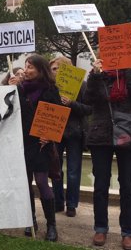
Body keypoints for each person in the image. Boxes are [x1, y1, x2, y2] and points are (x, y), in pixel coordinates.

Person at [84, 59, 131, 250]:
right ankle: (100, 228)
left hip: (126, 134)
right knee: (100, 184)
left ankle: (128, 232)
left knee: (128, 184)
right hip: (101, 134)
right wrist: (95, 75)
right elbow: (88, 98)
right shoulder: (98, 74)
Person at [11, 54, 61, 241]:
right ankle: (30, 220)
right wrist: (13, 89)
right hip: (22, 142)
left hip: (41, 144)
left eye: (31, 67)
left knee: (41, 182)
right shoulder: (19, 89)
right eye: (26, 66)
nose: (27, 70)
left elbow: (56, 117)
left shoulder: (50, 90)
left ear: (41, 69)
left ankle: (51, 225)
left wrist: (49, 134)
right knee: (25, 184)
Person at [49, 57, 92, 217]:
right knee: (55, 169)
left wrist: (71, 103)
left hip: (74, 133)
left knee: (74, 170)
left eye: (58, 68)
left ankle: (72, 205)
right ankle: (58, 202)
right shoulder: (50, 87)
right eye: (53, 69)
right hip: (55, 131)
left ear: (68, 70)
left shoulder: (81, 85)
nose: (56, 71)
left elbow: (89, 109)